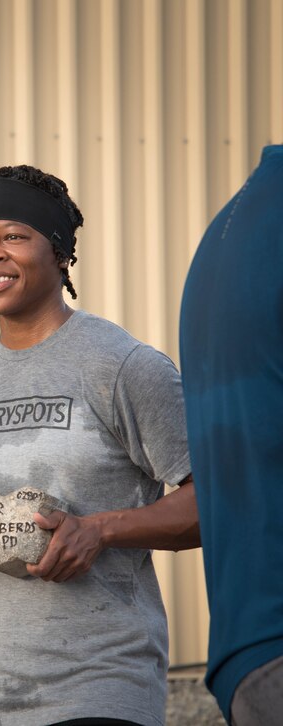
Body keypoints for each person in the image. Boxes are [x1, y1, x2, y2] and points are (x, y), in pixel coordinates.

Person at [0, 165, 200, 726]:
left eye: (13, 235)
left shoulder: (122, 366)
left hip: (96, 683)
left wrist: (99, 529)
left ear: (61, 253)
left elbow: (216, 506)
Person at [179, 145, 283, 725]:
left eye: (13, 235)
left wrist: (98, 529)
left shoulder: (235, 225)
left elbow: (197, 493)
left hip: (250, 636)